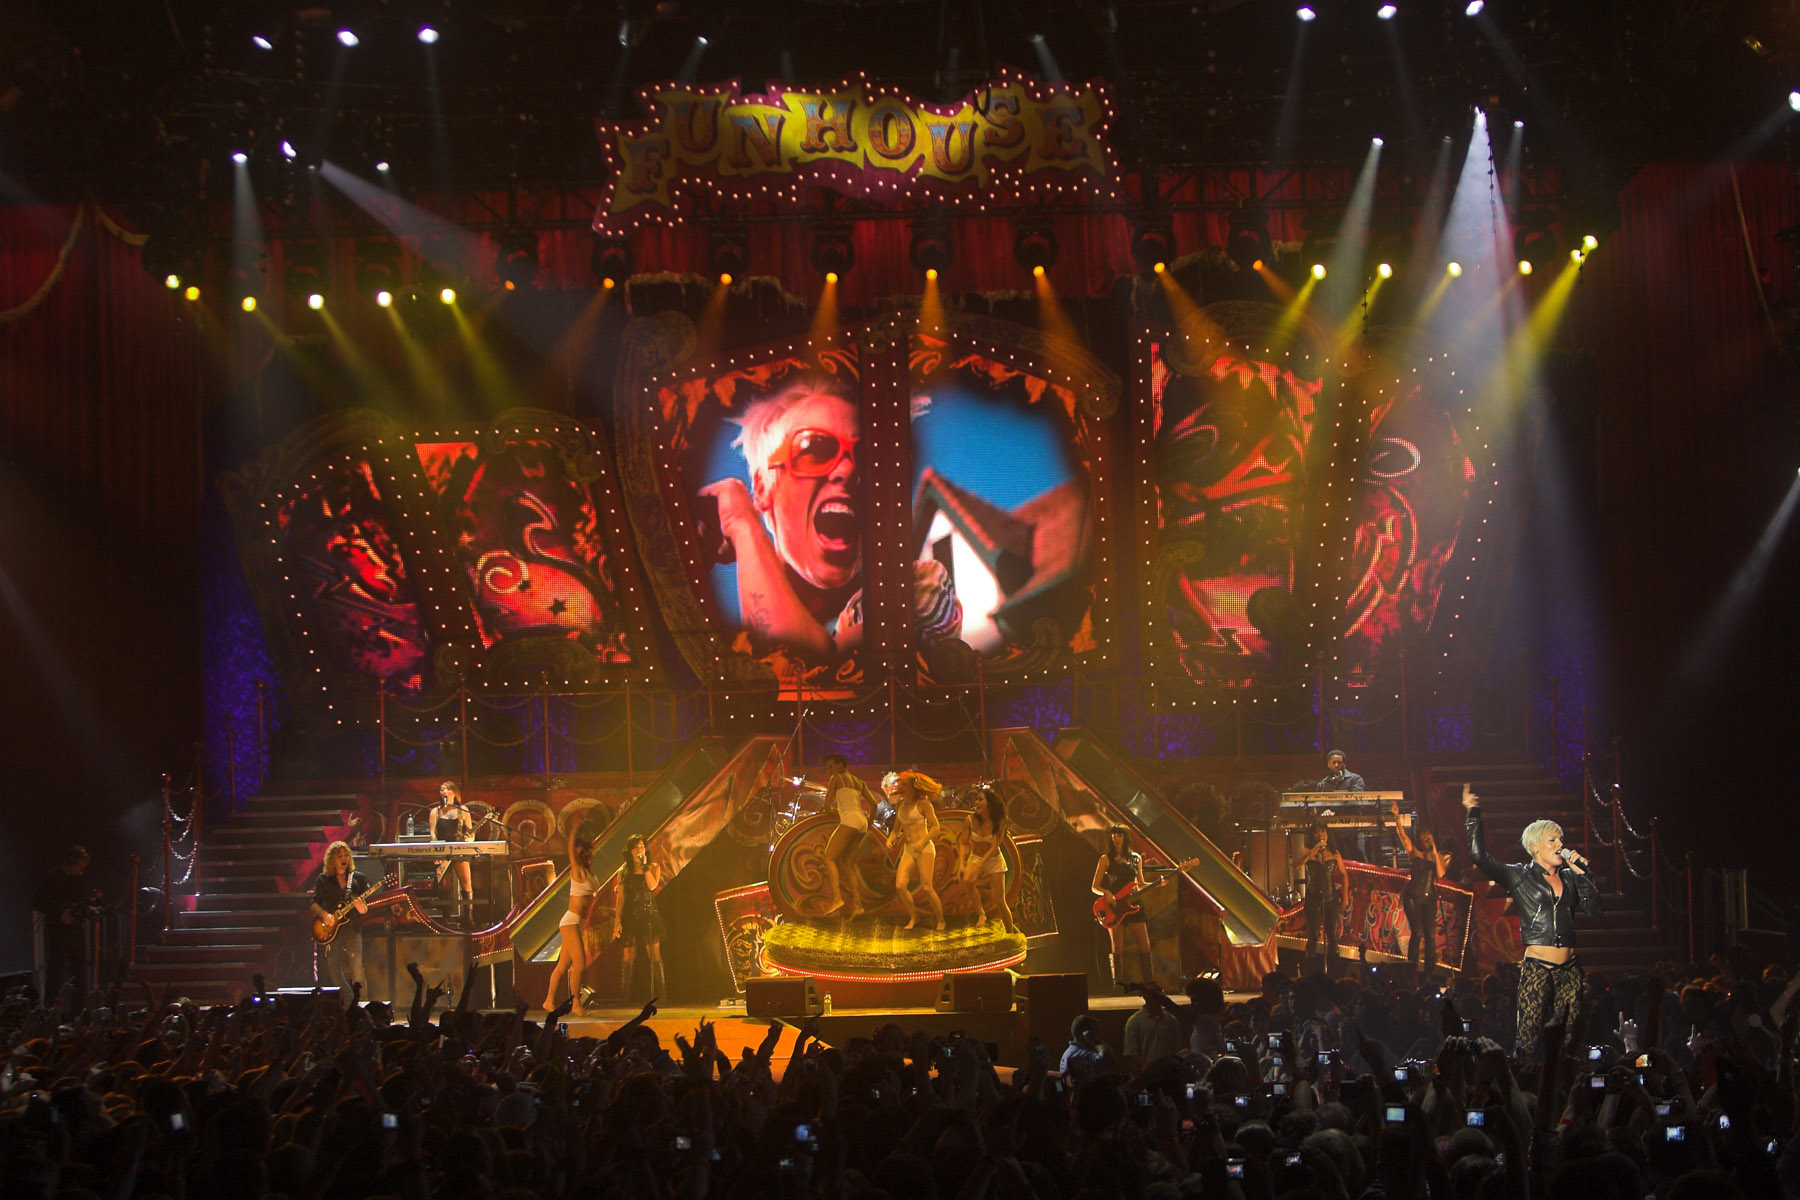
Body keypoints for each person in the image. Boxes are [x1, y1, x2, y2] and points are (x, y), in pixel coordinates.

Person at [698, 377, 960, 668]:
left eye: (867, 458)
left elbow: (802, 665)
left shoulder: (918, 589)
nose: (848, 470)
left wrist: (742, 524)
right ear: (761, 488)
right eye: (814, 448)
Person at [1463, 782, 1602, 1062]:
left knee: (1571, 1041)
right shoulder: (1520, 875)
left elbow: (1594, 911)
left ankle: (1566, 1081)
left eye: (1560, 840)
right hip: (1538, 967)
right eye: (1553, 840)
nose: (1560, 845)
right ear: (1535, 846)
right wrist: (1472, 813)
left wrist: (1583, 875)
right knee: (1529, 1037)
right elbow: (1479, 856)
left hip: (1570, 969)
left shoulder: (1570, 877)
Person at [1390, 798, 1450, 977]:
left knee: (1430, 936)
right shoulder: (1414, 852)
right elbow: (1403, 837)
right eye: (1423, 834)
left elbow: (1440, 873)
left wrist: (1434, 848)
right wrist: (1397, 818)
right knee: (1416, 932)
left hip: (1429, 897)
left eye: (1428, 834)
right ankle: (1412, 969)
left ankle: (1429, 973)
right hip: (1411, 896)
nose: (1425, 837)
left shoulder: (1438, 856)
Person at [543, 823, 599, 1015]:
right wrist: (575, 828)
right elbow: (570, 850)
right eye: (581, 853)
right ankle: (576, 1005)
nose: (586, 856)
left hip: (577, 923)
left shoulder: (590, 872)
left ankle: (548, 1001)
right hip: (571, 922)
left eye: (587, 852)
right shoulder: (578, 871)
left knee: (563, 965)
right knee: (579, 964)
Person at [1093, 826, 1157, 989]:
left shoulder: (1136, 858)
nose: (1116, 839)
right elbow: (1094, 886)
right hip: (1113, 906)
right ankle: (1118, 985)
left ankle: (1149, 983)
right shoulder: (1105, 859)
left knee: (1145, 944)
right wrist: (1107, 892)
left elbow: (1140, 884)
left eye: (1119, 835)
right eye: (1114, 835)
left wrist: (1157, 883)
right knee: (1117, 946)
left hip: (1133, 903)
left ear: (1125, 837)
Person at [816, 754, 880, 918]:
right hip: (861, 822)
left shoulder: (836, 779)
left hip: (850, 820)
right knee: (847, 865)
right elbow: (874, 804)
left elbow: (826, 805)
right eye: (827, 768)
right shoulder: (859, 782)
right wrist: (869, 824)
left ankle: (837, 899)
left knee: (829, 858)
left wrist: (831, 811)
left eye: (831, 767)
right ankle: (858, 905)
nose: (829, 771)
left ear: (840, 765)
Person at [32, 846, 92, 1010]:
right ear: (72, 861)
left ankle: (79, 1009)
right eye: (80, 865)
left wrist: (84, 909)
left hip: (75, 927)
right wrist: (60, 912)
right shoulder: (52, 878)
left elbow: (84, 899)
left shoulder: (79, 879)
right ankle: (50, 1007)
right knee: (56, 968)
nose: (81, 869)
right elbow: (38, 902)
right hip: (58, 928)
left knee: (79, 969)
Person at [309, 840, 368, 1004]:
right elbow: (314, 904)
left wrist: (362, 908)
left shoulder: (358, 879)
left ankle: (362, 1005)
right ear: (332, 860)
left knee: (357, 967)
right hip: (332, 931)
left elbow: (365, 908)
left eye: (346, 855)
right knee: (333, 969)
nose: (344, 859)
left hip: (353, 928)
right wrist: (325, 915)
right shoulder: (324, 880)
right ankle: (349, 1001)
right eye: (339, 856)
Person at [885, 771, 946, 931]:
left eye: (905, 785)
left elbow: (935, 827)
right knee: (900, 886)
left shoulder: (923, 804)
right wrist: (890, 839)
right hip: (909, 849)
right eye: (901, 784)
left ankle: (941, 920)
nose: (901, 787)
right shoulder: (900, 805)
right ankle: (914, 917)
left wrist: (922, 841)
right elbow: (896, 829)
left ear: (913, 788)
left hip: (925, 848)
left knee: (926, 887)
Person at [614, 834, 666, 1003]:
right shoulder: (623, 872)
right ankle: (625, 996)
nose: (640, 850)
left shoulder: (653, 867)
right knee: (628, 954)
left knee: (654, 954)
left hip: (648, 912)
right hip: (631, 914)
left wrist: (644, 867)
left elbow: (652, 886)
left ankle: (662, 995)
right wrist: (617, 920)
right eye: (636, 847)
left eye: (642, 846)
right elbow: (621, 897)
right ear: (630, 851)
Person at [1294, 821, 1349, 976]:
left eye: (1323, 832)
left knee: (1332, 935)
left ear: (1327, 834)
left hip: (1331, 898)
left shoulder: (1335, 853)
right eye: (1317, 832)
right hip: (1313, 898)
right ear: (1312, 835)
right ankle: (1310, 971)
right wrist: (1313, 850)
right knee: (1313, 935)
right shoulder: (1307, 851)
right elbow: (1297, 865)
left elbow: (1344, 875)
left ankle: (1334, 972)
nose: (1321, 835)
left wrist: (1344, 897)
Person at [957, 786, 1013, 931]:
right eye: (976, 799)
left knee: (999, 900)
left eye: (980, 800)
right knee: (967, 880)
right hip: (976, 856)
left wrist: (979, 866)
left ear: (990, 803)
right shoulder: (969, 820)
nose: (976, 803)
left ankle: (1011, 933)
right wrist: (962, 864)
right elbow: (963, 842)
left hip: (994, 860)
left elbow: (993, 847)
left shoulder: (998, 822)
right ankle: (981, 913)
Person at [428, 781, 476, 914]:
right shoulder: (435, 812)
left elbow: (471, 832)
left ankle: (468, 917)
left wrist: (470, 838)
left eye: (447, 789)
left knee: (466, 882)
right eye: (441, 789)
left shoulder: (463, 810)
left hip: (459, 850)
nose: (444, 792)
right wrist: (436, 852)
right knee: (444, 885)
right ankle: (445, 916)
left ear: (454, 793)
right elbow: (433, 833)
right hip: (442, 851)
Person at [1122, 986, 1184, 1067]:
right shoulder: (1134, 1021)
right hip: (1146, 1071)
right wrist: (1147, 1066)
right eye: (1154, 993)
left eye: (1159, 992)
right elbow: (1131, 1052)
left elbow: (1177, 1049)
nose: (1157, 996)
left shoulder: (1171, 1020)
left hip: (1168, 1070)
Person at [1059, 1013, 1119, 1087]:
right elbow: (1109, 1058)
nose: (1098, 1035)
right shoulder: (1079, 1054)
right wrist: (1095, 1040)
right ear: (1085, 1033)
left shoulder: (1070, 1051)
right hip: (1082, 1094)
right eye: (1095, 1032)